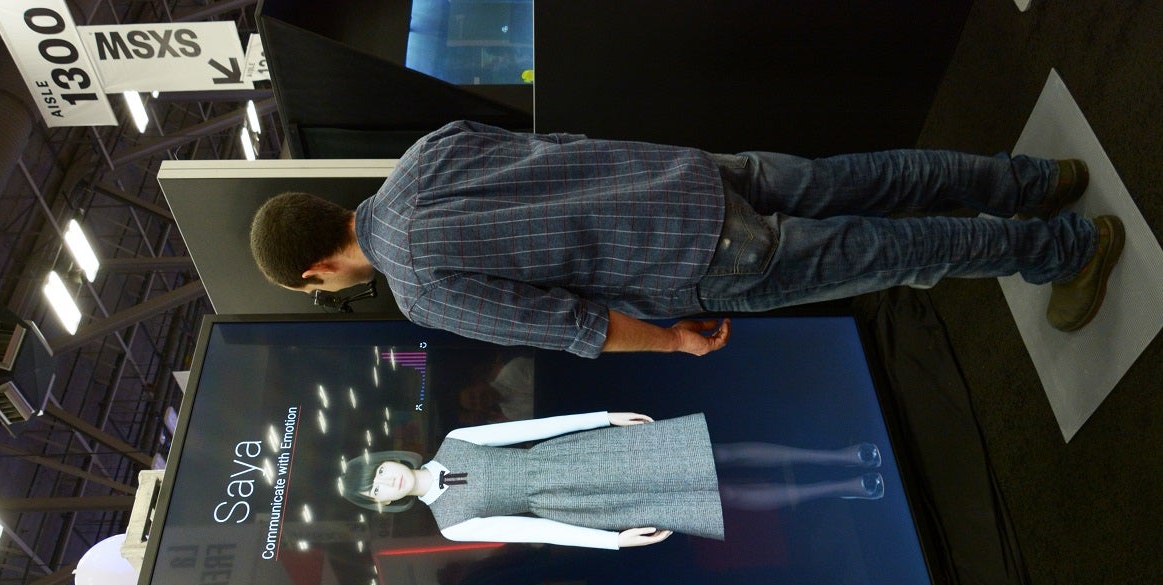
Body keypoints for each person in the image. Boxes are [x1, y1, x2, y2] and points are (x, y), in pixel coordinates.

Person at [250, 121, 1125, 356]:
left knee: (891, 251)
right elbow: (562, 145)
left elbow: (573, 325)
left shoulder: (419, 289)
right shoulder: (424, 154)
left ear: (317, 268)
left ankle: (1072, 250)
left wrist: (672, 342)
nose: (330, 293)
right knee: (872, 178)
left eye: (318, 289)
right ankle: (1035, 180)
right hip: (690, 172)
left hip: (694, 259)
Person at [340, 411, 887, 549]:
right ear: (383, 504)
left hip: (581, 452)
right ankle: (838, 487)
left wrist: (602, 417)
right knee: (721, 496)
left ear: (389, 458)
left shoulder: (456, 439)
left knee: (716, 452)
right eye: (377, 489)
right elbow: (537, 532)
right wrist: (613, 541)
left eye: (379, 471)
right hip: (578, 504)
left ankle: (836, 457)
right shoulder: (451, 525)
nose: (386, 482)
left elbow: (531, 429)